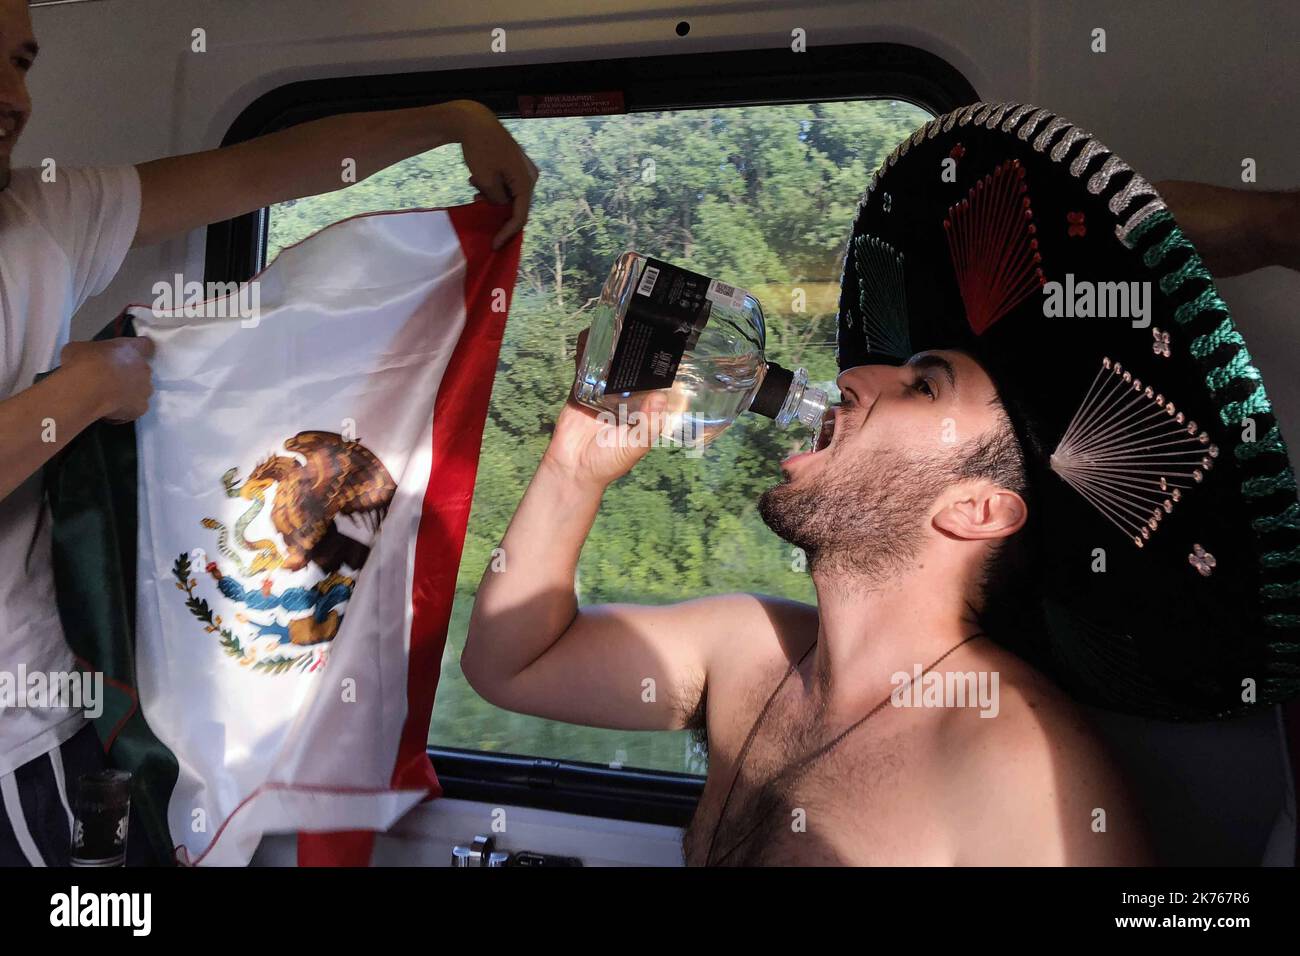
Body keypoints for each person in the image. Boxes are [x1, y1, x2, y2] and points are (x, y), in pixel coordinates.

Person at [463, 101, 1300, 865]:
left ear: (978, 509)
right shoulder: (749, 649)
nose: (860, 375)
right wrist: (577, 463)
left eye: (924, 384)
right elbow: (514, 666)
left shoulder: (1017, 766)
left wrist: (1272, 225)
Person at [0, 0, 535, 865]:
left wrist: (452, 120)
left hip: (57, 715)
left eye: (21, 62)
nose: (10, 93)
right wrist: (90, 388)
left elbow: (262, 168)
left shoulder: (46, 214)